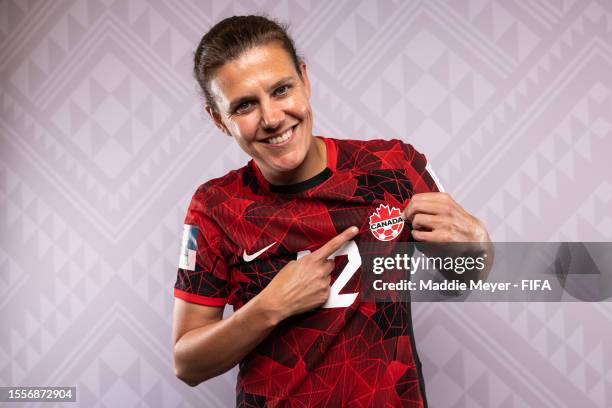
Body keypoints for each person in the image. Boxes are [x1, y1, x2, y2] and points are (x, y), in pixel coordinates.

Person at [172, 15, 490, 407]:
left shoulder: (394, 166)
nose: (272, 118)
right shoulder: (215, 207)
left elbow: (465, 276)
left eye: (281, 89)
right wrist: (269, 308)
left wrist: (479, 245)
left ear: (304, 79)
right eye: (244, 106)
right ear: (218, 119)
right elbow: (187, 363)